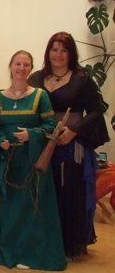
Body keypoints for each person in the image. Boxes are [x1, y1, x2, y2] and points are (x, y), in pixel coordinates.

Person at [28, 32, 109, 258]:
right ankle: (45, 241)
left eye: (64, 50)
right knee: (46, 191)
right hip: (43, 143)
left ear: (71, 53)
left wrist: (74, 131)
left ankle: (69, 243)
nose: (58, 54)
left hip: (71, 145)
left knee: (70, 192)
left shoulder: (82, 79)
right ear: (48, 52)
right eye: (54, 49)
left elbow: (96, 110)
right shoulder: (36, 78)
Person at [0, 50, 66, 271]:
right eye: (18, 64)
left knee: (31, 208)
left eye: (26, 65)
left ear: (31, 69)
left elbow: (51, 126)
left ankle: (30, 254)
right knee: (9, 209)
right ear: (11, 66)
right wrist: (0, 141)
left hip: (32, 161)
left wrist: (30, 135)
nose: (21, 68)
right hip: (7, 162)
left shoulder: (40, 96)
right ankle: (9, 250)